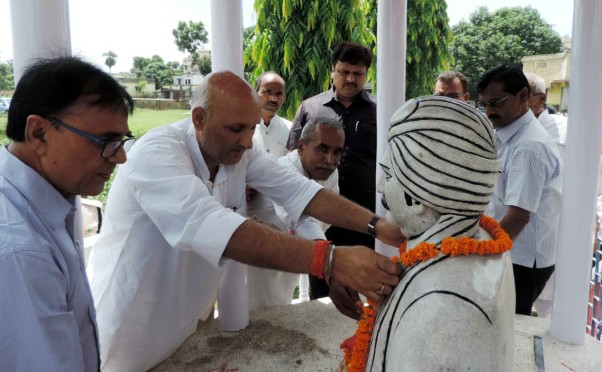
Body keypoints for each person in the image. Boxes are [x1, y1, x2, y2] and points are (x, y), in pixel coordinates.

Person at [87, 70, 404, 371]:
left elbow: (299, 191)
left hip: (186, 330)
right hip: (128, 335)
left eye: (252, 128)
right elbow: (217, 229)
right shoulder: (157, 154)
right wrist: (330, 261)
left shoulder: (239, 151)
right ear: (199, 119)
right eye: (236, 129)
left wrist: (378, 226)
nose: (248, 140)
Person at [352, 95, 514, 371]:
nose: (380, 186)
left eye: (388, 175)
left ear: (417, 202)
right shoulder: (485, 240)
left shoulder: (435, 302)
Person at [0, 56, 134, 371]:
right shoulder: (21, 251)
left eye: (122, 140)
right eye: (105, 141)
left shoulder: (45, 202)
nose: (121, 157)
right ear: (39, 134)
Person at [286, 40, 377, 299]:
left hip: (365, 218)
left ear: (366, 75)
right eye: (344, 72)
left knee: (366, 292)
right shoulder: (310, 108)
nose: (350, 79)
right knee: (322, 290)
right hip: (321, 219)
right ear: (332, 72)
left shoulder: (380, 111)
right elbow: (292, 156)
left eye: (357, 73)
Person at [478, 65, 562, 316]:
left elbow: (518, 216)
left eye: (496, 103)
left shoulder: (528, 147)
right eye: (484, 104)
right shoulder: (507, 134)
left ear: (523, 96)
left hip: (521, 260)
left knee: (505, 327)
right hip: (509, 252)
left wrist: (481, 256)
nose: (489, 111)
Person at [248, 116, 344, 309]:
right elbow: (301, 218)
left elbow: (327, 216)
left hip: (291, 259)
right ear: (300, 147)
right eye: (322, 149)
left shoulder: (331, 173)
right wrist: (333, 266)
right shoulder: (285, 169)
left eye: (337, 152)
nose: (330, 160)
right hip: (255, 267)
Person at [252, 71, 292, 157]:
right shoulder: (244, 128)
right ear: (255, 93)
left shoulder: (290, 129)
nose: (273, 99)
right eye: (267, 92)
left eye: (279, 94)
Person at [525, 72, 560, 142]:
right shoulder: (504, 128)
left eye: (524, 96)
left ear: (542, 98)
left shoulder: (563, 128)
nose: (518, 102)